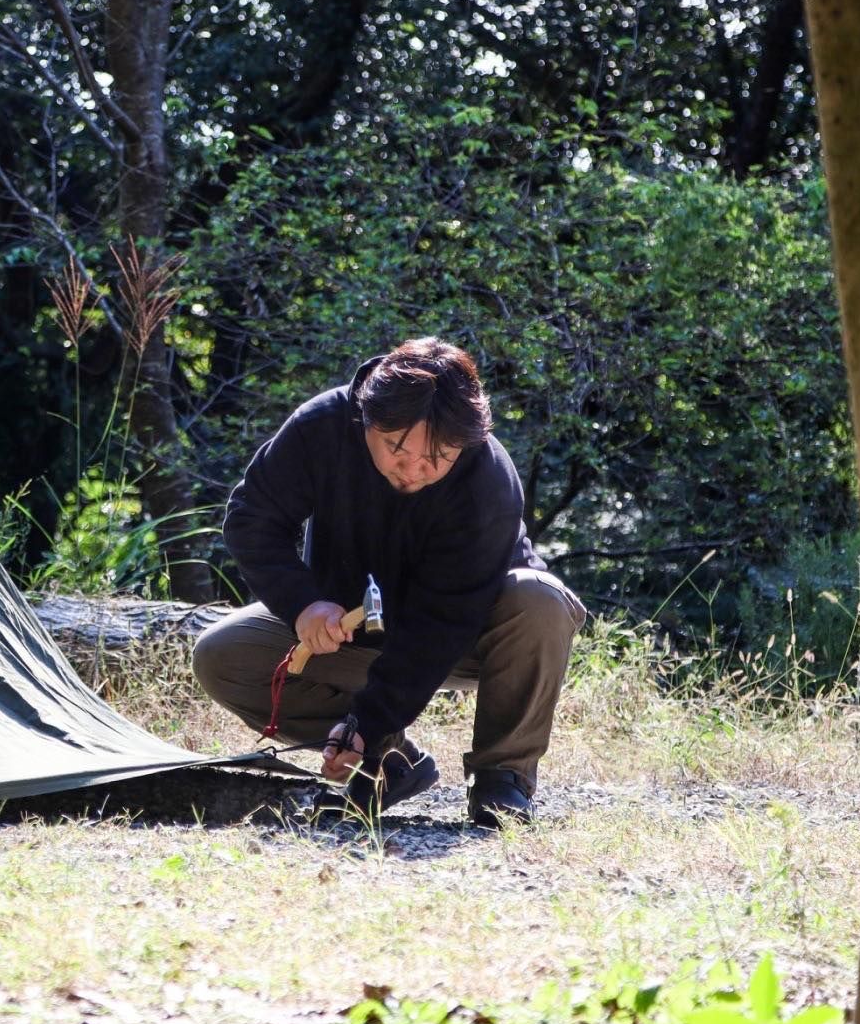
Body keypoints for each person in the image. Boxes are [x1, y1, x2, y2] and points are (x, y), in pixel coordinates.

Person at [193, 337, 586, 827]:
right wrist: (304, 605)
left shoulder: (487, 479)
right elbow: (253, 519)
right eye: (396, 448)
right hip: (350, 629)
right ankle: (388, 765)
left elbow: (439, 626)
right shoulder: (322, 426)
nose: (414, 469)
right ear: (366, 421)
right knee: (222, 654)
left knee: (539, 600)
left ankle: (503, 780)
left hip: (464, 637)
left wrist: (371, 721)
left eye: (436, 458)